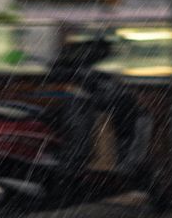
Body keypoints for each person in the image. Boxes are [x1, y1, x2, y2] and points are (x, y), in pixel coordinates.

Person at [44, 35, 152, 179]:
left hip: (111, 168)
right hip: (120, 162)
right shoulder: (105, 89)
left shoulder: (90, 99)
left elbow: (98, 159)